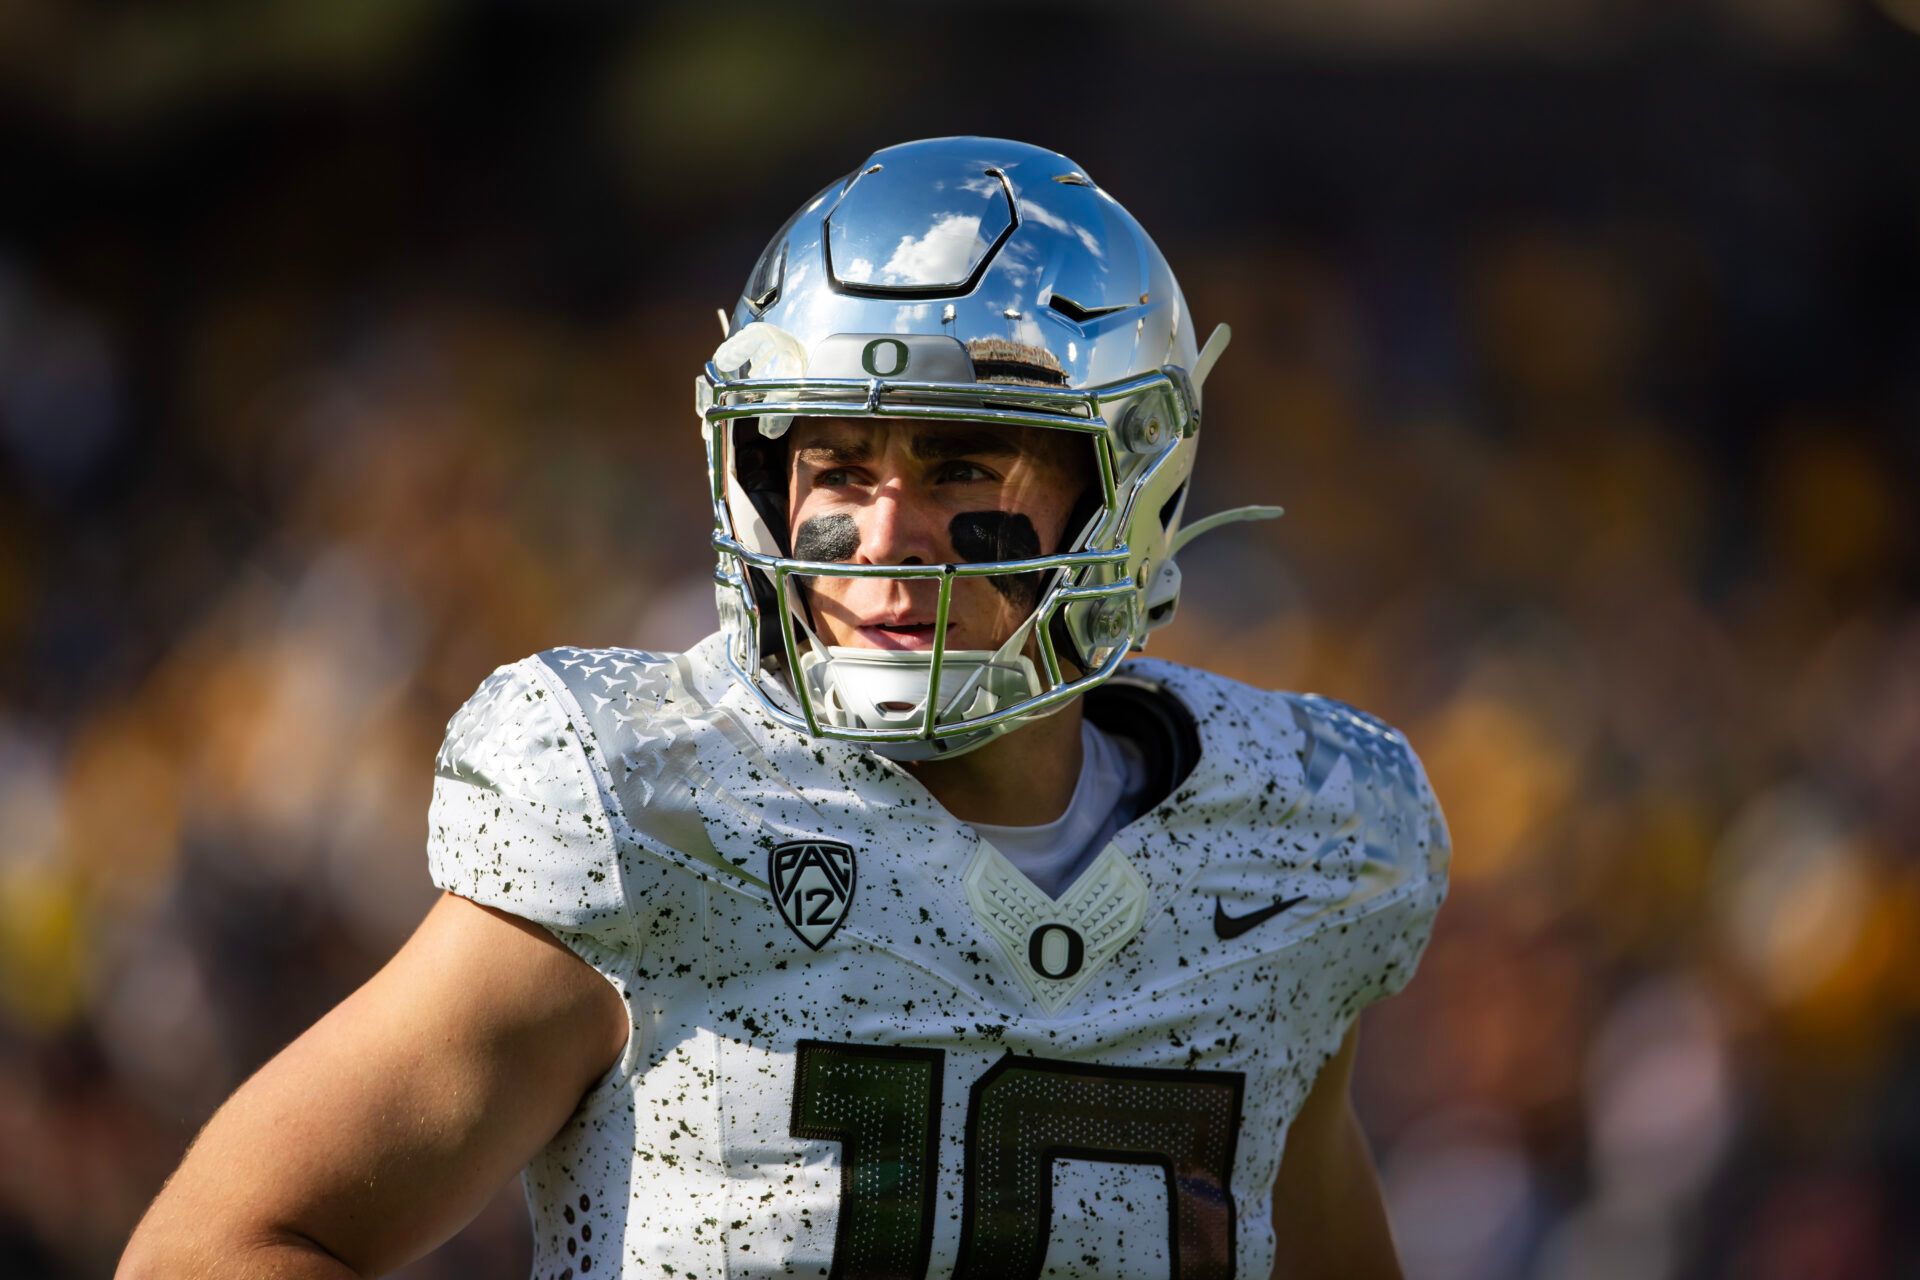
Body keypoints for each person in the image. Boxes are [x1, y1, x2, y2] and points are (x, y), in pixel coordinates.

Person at [119, 137, 1449, 1280]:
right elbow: (225, 1240)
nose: (882, 535)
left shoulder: (1285, 851)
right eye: (838, 460)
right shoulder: (651, 811)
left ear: (1125, 481)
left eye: (961, 460)